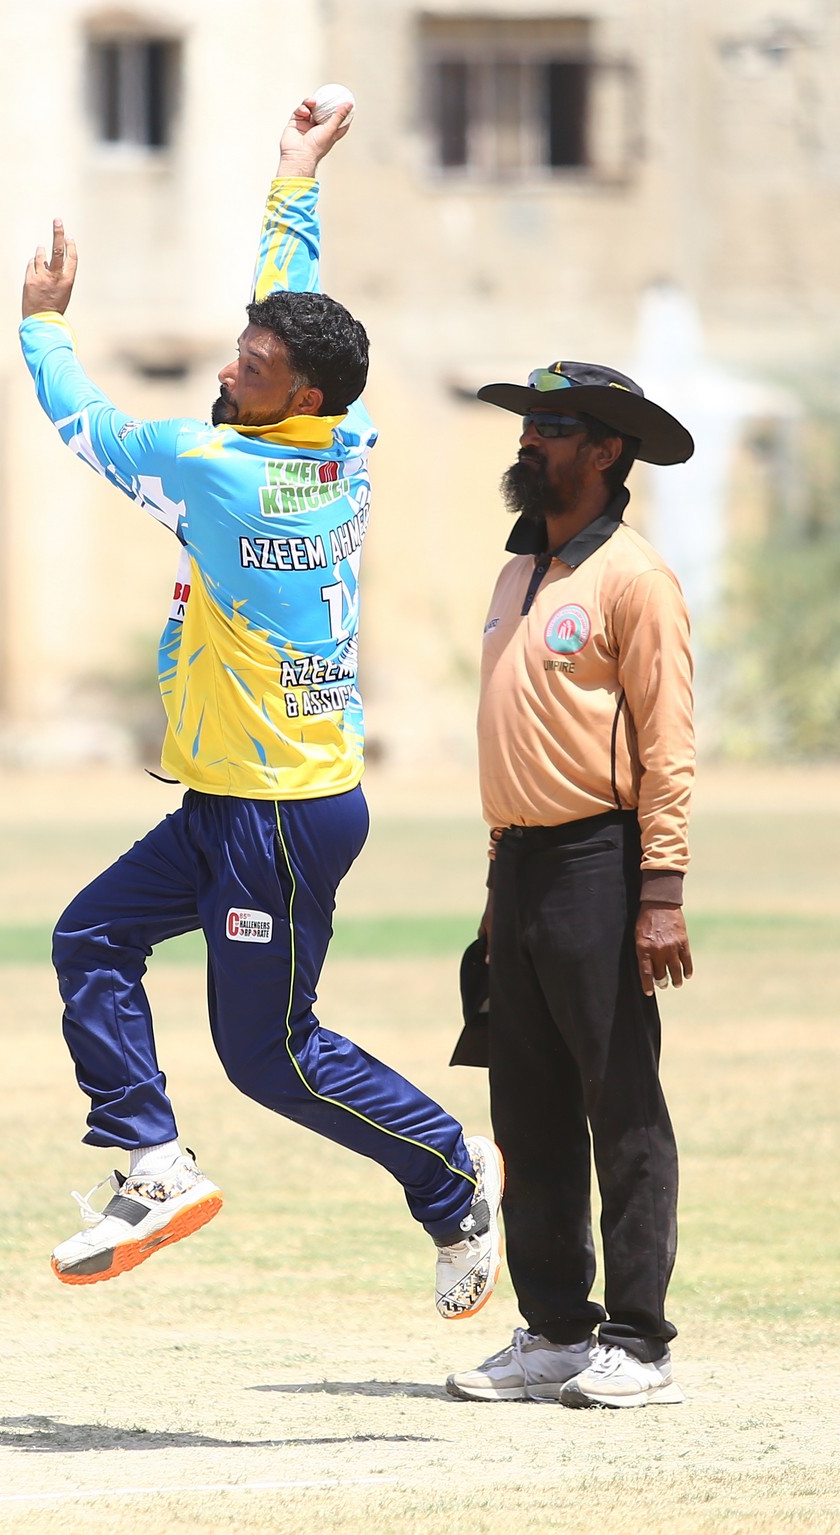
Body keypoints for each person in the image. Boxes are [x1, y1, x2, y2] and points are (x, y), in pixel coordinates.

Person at [17, 96, 502, 1319]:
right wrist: (294, 177)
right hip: (246, 796)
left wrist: (42, 326)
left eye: (253, 365)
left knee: (272, 1056)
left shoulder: (218, 469)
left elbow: (88, 426)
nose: (230, 366)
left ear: (298, 394)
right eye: (237, 349)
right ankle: (153, 1162)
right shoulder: (348, 433)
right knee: (91, 937)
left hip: (277, 814)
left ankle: (455, 1176)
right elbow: (293, 304)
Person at [446, 362, 695, 1409]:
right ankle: (555, 1330)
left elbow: (669, 745)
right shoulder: (519, 573)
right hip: (520, 868)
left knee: (620, 1102)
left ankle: (640, 1342)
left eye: (551, 425)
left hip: (603, 862)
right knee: (528, 1107)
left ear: (605, 451)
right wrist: (496, 887)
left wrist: (661, 889)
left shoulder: (635, 577)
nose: (528, 439)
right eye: (527, 423)